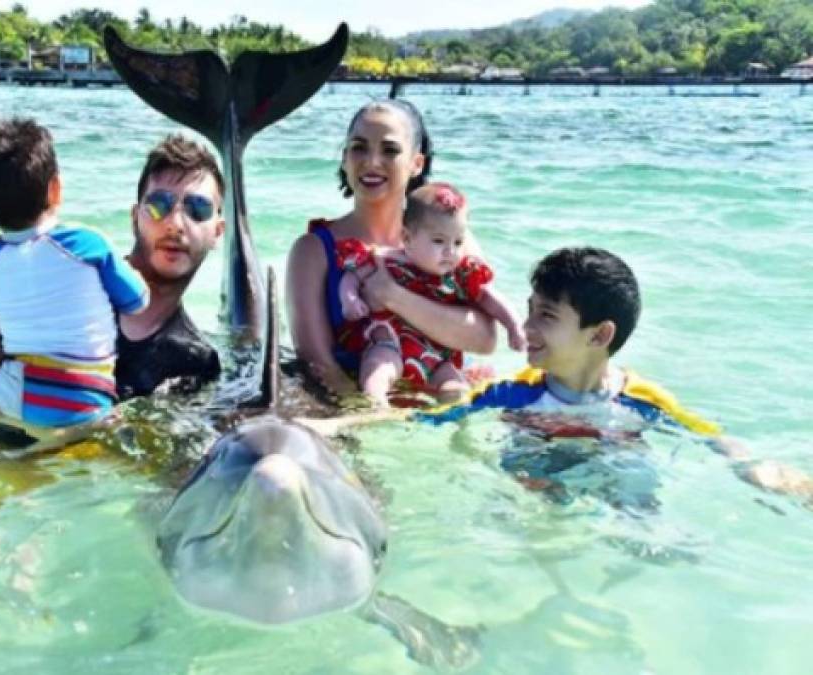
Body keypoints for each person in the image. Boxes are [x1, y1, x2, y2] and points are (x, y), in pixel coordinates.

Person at [412, 246, 813, 505]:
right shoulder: (511, 394)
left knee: (637, 488)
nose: (527, 326)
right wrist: (356, 422)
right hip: (538, 480)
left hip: (614, 465)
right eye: (530, 309)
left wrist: (757, 469)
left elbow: (707, 435)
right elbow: (434, 418)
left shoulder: (641, 400)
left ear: (601, 334)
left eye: (546, 315)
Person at [0, 133, 225, 428]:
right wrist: (39, 439)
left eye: (197, 209)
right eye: (159, 204)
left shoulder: (195, 361)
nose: (175, 224)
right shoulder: (61, 283)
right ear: (135, 217)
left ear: (218, 232)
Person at [287, 100, 497, 398]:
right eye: (359, 147)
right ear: (345, 158)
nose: (372, 161)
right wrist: (370, 421)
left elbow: (485, 339)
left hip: (440, 405)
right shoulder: (313, 250)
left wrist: (392, 296)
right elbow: (318, 364)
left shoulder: (452, 241)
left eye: (390, 150)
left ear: (417, 164)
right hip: (359, 408)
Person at [0, 118, 149, 429]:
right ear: (55, 189)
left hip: (17, 399)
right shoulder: (86, 244)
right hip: (92, 400)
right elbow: (137, 301)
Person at [335, 182, 525, 404]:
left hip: (437, 356)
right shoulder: (386, 260)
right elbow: (353, 275)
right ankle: (374, 405)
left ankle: (458, 423)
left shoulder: (460, 274)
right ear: (407, 238)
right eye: (438, 241)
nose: (450, 251)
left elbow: (489, 297)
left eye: (458, 242)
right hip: (391, 343)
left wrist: (513, 325)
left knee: (456, 386)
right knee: (377, 369)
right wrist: (349, 299)